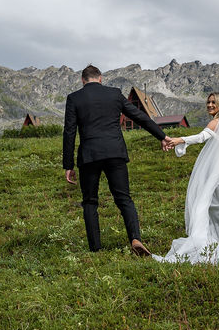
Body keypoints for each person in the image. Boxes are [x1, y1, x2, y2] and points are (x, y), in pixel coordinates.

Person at [62, 64, 174, 255]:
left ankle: (96, 249)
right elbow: (140, 116)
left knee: (90, 202)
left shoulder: (74, 98)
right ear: (101, 78)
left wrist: (68, 165)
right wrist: (162, 136)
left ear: (82, 80)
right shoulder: (114, 94)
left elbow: (69, 132)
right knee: (124, 199)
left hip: (89, 155)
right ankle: (135, 238)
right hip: (115, 152)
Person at [155, 92, 219, 264]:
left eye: (213, 102)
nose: (209, 105)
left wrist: (180, 140)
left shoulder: (216, 122)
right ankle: (214, 244)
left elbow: (201, 137)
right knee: (213, 206)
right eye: (208, 102)